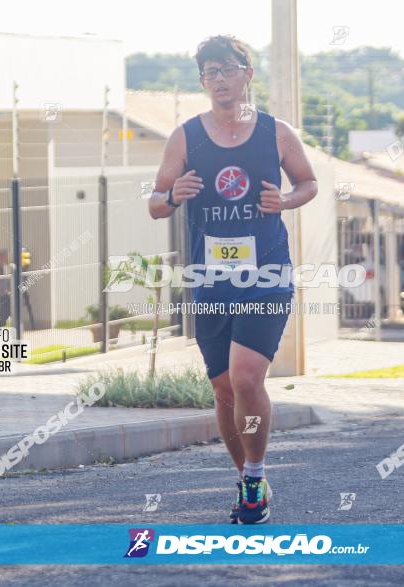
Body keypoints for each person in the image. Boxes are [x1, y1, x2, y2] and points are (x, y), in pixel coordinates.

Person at [148, 35, 317, 524]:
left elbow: (308, 182)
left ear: (247, 73)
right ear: (203, 82)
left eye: (227, 69)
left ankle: (254, 472)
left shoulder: (276, 133)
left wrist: (286, 200)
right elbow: (155, 203)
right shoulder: (185, 136)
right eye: (210, 73)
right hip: (210, 279)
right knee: (223, 389)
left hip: (266, 274)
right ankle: (251, 481)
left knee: (247, 377)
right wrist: (174, 195)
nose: (219, 80)